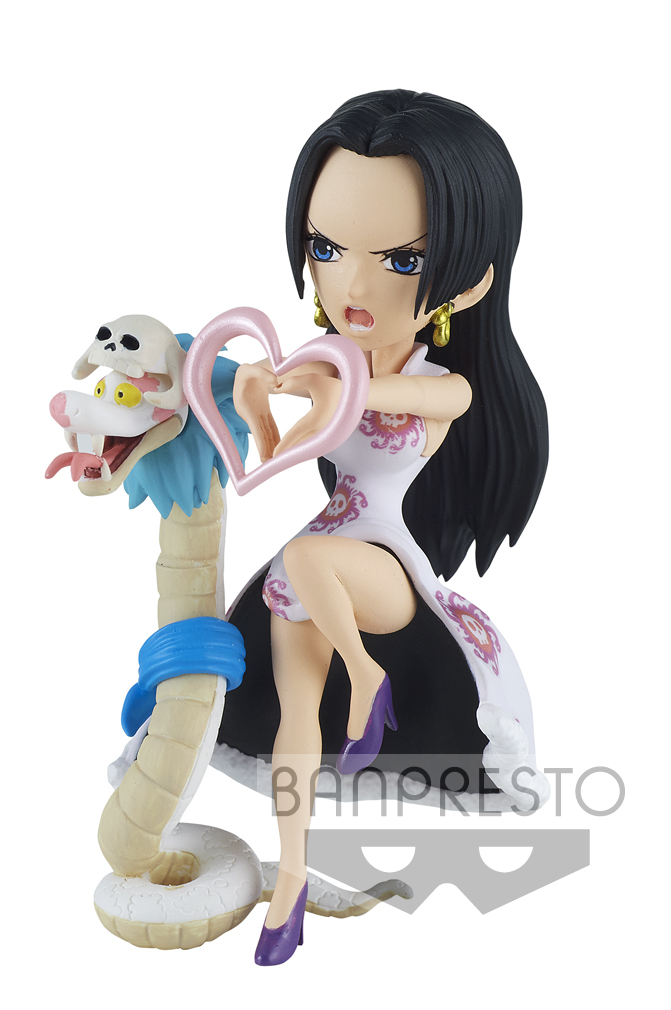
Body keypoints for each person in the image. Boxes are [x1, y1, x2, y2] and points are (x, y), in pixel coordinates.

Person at [226, 90, 549, 965]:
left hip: (384, 565)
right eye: (326, 249)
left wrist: (319, 378)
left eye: (402, 259)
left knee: (307, 553)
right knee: (295, 715)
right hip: (317, 566)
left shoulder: (445, 387)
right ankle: (290, 880)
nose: (352, 287)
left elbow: (378, 394)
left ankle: (369, 676)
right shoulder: (326, 367)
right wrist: (256, 400)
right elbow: (276, 457)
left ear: (468, 280)